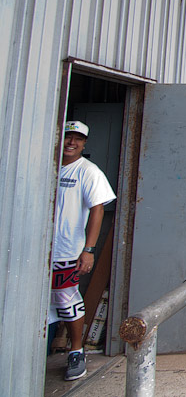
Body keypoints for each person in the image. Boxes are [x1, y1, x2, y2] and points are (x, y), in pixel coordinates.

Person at [49, 121, 116, 381]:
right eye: (68, 137)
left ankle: (76, 351)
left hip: (67, 251)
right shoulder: (47, 165)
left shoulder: (88, 172)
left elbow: (98, 209)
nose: (71, 142)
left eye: (77, 138)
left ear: (84, 143)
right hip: (36, 250)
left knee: (67, 301)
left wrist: (88, 249)